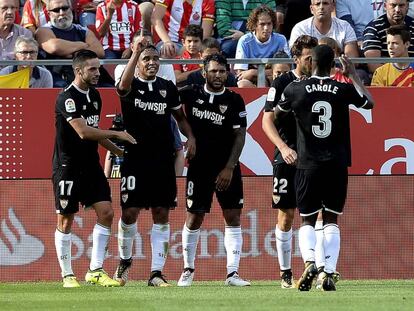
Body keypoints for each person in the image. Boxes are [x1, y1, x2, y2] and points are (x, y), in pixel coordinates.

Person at [272, 45, 374, 291]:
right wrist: (352, 75)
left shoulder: (296, 88)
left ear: (311, 62)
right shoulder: (342, 88)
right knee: (330, 219)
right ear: (333, 65)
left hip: (307, 163)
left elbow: (276, 114)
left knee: (307, 219)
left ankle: (309, 262)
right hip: (337, 163)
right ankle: (327, 273)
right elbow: (369, 103)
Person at [114, 39, 196, 287]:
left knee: (161, 213)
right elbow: (122, 86)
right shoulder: (131, 85)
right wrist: (135, 52)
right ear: (138, 64)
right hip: (135, 159)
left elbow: (179, 117)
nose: (151, 63)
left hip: (162, 159)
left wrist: (190, 136)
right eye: (146, 60)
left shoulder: (167, 87)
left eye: (154, 59)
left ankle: (156, 273)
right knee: (129, 213)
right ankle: (125, 261)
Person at [52, 49, 137, 288]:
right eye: (92, 68)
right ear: (78, 71)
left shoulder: (95, 96)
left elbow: (95, 133)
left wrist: (120, 151)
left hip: (91, 165)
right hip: (67, 167)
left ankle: (95, 270)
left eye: (98, 68)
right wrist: (117, 133)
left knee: (107, 213)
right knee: (66, 219)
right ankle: (67, 274)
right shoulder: (66, 98)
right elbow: (83, 131)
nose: (98, 72)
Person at [177, 54, 249, 287]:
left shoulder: (235, 100)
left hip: (226, 166)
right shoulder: (191, 93)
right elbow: (175, 111)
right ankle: (188, 269)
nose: (218, 75)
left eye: (222, 71)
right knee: (194, 215)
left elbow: (240, 135)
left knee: (233, 215)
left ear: (227, 72)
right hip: (199, 167)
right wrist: (190, 136)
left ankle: (232, 273)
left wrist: (229, 167)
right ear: (204, 72)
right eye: (214, 71)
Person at [262, 35, 318, 289]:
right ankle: (285, 272)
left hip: (315, 158)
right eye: (308, 57)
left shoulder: (321, 82)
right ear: (296, 59)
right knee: (286, 216)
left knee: (316, 215)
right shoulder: (282, 82)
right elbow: (266, 120)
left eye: (314, 56)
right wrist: (283, 147)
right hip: (287, 155)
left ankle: (315, 268)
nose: (312, 61)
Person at [35, 0, 106, 87]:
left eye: (65, 8)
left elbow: (99, 51)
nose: (61, 13)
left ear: (71, 9)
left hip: (84, 76)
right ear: (49, 14)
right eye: (56, 10)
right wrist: (82, 45)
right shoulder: (43, 31)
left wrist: (68, 51)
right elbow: (55, 47)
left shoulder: (83, 30)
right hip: (55, 77)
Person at [234, 4, 289, 87]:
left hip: (273, 80)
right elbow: (241, 74)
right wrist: (263, 74)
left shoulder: (281, 40)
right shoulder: (245, 41)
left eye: (269, 24)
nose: (266, 28)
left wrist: (254, 72)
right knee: (242, 84)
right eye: (262, 24)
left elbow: (286, 69)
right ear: (255, 25)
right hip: (251, 81)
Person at [289, 0, 359, 59]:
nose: (321, 7)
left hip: (338, 71)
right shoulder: (300, 28)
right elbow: (298, 59)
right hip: (309, 72)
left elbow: (352, 59)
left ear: (333, 7)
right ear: (311, 9)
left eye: (325, 3)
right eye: (317, 4)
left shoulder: (345, 26)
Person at [363, 0, 414, 73]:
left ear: (407, 6)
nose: (397, 10)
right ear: (385, 6)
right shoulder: (374, 28)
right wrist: (401, 77)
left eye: (401, 5)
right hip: (384, 80)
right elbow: (373, 65)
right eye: (393, 5)